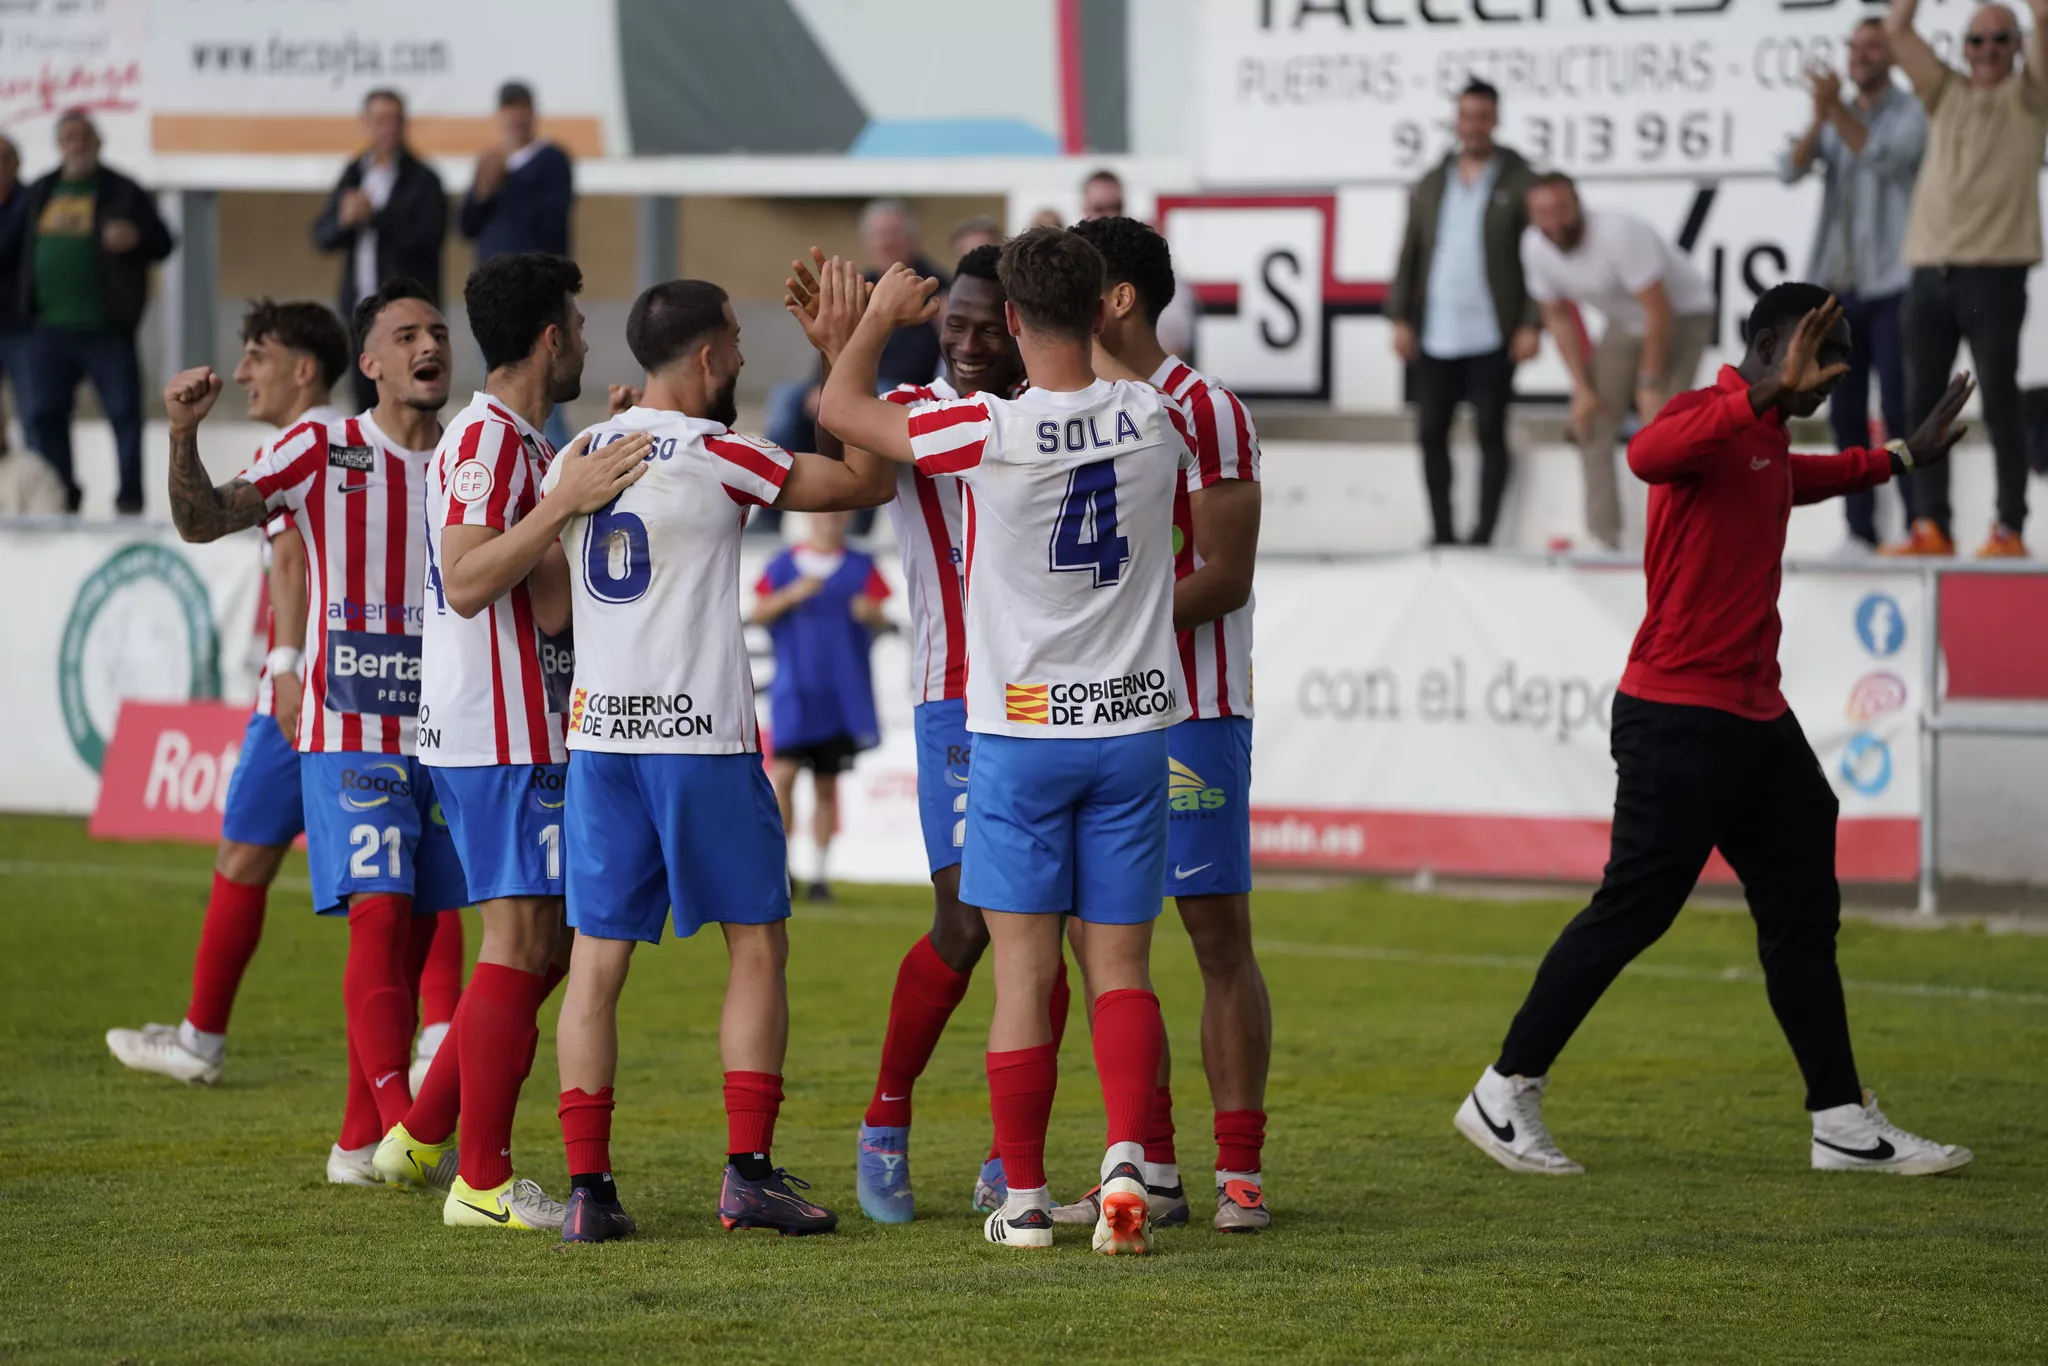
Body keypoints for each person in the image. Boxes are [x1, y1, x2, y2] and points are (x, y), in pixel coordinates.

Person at [1453, 286, 1976, 1179]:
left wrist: (1896, 456)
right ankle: (1502, 1092)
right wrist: (1765, 394)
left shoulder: (1766, 436)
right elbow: (1650, 453)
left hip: (1755, 719)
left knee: (1803, 913)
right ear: (1772, 344)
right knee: (1636, 909)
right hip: (1676, 716)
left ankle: (1843, 1121)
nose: (1838, 372)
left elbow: (1802, 478)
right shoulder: (1708, 411)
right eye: (1826, 350)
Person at [816, 229, 1209, 1258]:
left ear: (1020, 325)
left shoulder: (985, 431)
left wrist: (865, 324)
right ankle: (1127, 1168)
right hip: (1129, 731)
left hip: (1019, 735)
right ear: (1100, 314)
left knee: (1021, 971)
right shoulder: (1156, 415)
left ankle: (1025, 1199)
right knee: (1120, 967)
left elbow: (838, 412)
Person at [535, 273, 897, 1244]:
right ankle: (744, 1173)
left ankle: (588, 1190)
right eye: (734, 342)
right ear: (703, 358)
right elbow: (867, 481)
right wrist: (839, 353)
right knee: (756, 943)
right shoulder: (726, 453)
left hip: (602, 743)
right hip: (698, 741)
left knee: (597, 968)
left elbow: (544, 599)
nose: (739, 357)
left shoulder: (578, 450)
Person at [783, 244, 1066, 1225]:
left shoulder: (1051, 414)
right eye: (955, 325)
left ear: (1024, 325)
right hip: (952, 696)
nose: (972, 341)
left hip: (1041, 696)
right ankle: (884, 1116)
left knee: (1047, 928)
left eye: (990, 325)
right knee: (968, 922)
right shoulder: (913, 411)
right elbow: (850, 451)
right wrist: (845, 341)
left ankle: (1007, 1155)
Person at [163, 277, 467, 1188]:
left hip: (453, 736)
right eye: (407, 333)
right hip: (351, 730)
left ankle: (352, 1145)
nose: (429, 345)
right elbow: (205, 519)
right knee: (376, 916)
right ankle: (399, 1128)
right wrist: (183, 435)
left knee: (422, 934)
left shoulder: (474, 456)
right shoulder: (323, 445)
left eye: (439, 332)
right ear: (369, 364)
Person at [374, 253, 649, 1232]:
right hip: (497, 730)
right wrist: (563, 500)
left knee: (552, 941)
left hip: (515, 725)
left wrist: (600, 472)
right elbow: (463, 577)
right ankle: (481, 1181)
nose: (582, 339)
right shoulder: (491, 439)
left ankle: (418, 1134)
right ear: (547, 338)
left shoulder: (525, 441)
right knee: (525, 943)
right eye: (575, 324)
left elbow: (548, 606)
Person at [1059, 214, 1270, 1234]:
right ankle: (1155, 1163)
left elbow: (1224, 576)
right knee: (1100, 940)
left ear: (1119, 300)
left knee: (1214, 937)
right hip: (1087, 712)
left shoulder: (1206, 410)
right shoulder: (1057, 408)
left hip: (1192, 710)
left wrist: (1104, 623)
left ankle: (1241, 1172)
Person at [105, 300, 349, 1085]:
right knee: (378, 864)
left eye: (257, 355)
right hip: (350, 682)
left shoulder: (309, 447)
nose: (242, 371)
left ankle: (202, 1041)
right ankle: (201, 1036)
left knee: (381, 869)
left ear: (303, 369)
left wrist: (282, 661)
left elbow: (291, 564)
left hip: (313, 687)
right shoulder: (365, 445)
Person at [1884, 0, 2048, 557]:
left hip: (1993, 276)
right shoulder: (1945, 91)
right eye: (1976, 41)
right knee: (1923, 403)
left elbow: (2044, 23)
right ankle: (1931, 525)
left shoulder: (2030, 97)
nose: (1987, 50)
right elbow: (1898, 29)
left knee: (1998, 400)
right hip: (1930, 269)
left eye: (2000, 39)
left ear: (2018, 44)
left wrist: (2039, 17)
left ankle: (2009, 528)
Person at [1779, 21, 1926, 554]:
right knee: (1843, 412)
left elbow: (1884, 158)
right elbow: (1787, 170)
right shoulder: (1832, 114)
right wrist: (1820, 116)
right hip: (1836, 287)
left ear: (1891, 56)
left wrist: (1834, 110)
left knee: (1900, 407)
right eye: (1854, 47)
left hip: (1893, 282)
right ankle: (1860, 529)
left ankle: (1918, 524)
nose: (1859, 56)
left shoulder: (1911, 111)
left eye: (1872, 47)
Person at [1521, 174, 1716, 550]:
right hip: (1625, 322)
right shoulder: (1534, 247)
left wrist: (1648, 383)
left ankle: (1678, 540)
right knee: (1590, 420)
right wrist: (1581, 388)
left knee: (1663, 429)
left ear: (1578, 203)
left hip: (1684, 313)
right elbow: (1558, 319)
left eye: (1561, 209)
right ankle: (1603, 540)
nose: (1555, 222)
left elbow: (1659, 312)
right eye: (1544, 214)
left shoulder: (1619, 234)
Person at [1389, 81, 1541, 547]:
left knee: (1491, 434)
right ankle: (1443, 532)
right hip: (1436, 333)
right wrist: (1399, 316)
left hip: (1494, 332)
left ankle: (1483, 535)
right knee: (1432, 434)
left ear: (1494, 120)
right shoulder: (1433, 180)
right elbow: (1409, 251)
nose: (1473, 125)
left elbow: (1539, 258)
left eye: (1482, 116)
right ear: (1456, 121)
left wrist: (1531, 322)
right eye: (1466, 116)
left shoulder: (1520, 179)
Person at [16, 110, 173, 514]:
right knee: (44, 416)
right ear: (58, 145)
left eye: (84, 136)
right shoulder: (40, 191)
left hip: (107, 329)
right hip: (47, 329)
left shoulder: (123, 190)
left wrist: (136, 238)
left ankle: (130, 501)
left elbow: (164, 240)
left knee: (124, 416)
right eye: (69, 137)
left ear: (98, 143)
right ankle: (57, 499)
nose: (77, 144)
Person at [752, 509, 889, 901]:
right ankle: (784, 866)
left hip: (839, 696)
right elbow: (757, 611)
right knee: (785, 777)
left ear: (845, 519)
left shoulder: (862, 566)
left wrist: (871, 614)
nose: (827, 521)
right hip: (795, 694)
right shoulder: (783, 566)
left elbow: (881, 615)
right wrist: (793, 595)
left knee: (826, 786)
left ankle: (820, 874)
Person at [313, 90, 449, 411]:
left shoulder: (423, 178)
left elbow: (429, 236)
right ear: (366, 124)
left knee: (412, 402)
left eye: (395, 120)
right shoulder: (354, 172)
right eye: (380, 120)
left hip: (408, 316)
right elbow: (322, 236)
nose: (388, 128)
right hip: (361, 312)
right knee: (366, 404)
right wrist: (345, 220)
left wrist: (375, 216)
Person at [459, 82, 576, 449]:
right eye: (508, 108)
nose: (515, 116)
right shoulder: (490, 162)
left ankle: (559, 468)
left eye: (521, 107)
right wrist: (483, 188)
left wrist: (506, 185)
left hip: (537, 298)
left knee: (542, 392)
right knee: (499, 387)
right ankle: (505, 456)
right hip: (495, 298)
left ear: (532, 112)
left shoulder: (552, 160)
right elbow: (465, 225)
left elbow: (552, 222)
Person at [1080, 169, 1196, 359]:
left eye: (1116, 207)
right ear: (1084, 208)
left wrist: (1147, 387)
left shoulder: (1147, 257)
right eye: (1100, 208)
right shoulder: (1069, 260)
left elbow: (1176, 333)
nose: (1109, 216)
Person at [859, 199, 947, 391]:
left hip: (908, 388)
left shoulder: (936, 287)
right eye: (879, 235)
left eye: (894, 234)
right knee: (789, 395)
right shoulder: (859, 287)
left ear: (912, 239)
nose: (886, 243)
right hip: (859, 382)